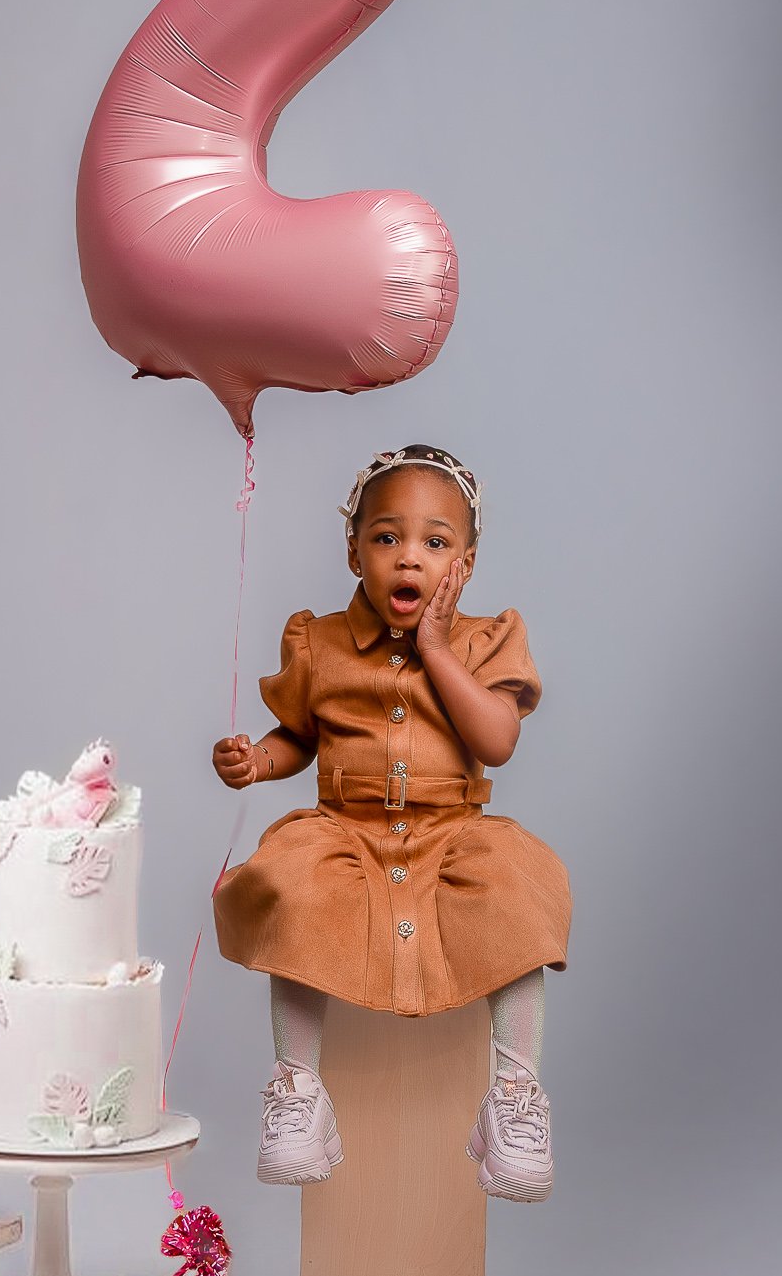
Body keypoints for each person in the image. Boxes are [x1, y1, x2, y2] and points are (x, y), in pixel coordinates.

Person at [211, 443, 572, 1202]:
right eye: (386, 537)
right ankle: (297, 1090)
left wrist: (436, 650)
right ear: (353, 551)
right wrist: (259, 761)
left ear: (464, 565)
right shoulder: (317, 641)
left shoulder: (487, 639)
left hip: (452, 833)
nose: (409, 558)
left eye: (434, 543)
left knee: (518, 886)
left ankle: (514, 1093)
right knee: (289, 881)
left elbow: (495, 741)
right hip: (345, 828)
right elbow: (298, 739)